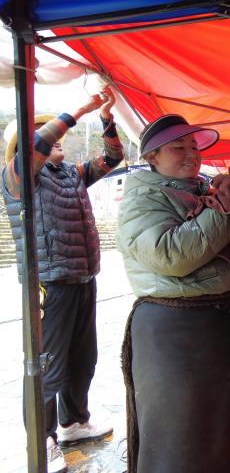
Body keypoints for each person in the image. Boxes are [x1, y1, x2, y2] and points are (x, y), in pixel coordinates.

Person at [117, 114, 230, 473]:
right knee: (185, 441)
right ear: (152, 156)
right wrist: (225, 210)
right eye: (178, 147)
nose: (191, 154)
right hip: (177, 335)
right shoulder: (142, 199)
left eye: (194, 146)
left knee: (229, 432)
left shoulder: (205, 191)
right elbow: (170, 256)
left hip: (222, 326)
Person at [2, 90, 123, 473]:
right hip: (49, 284)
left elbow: (113, 158)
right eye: (45, 135)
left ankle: (74, 424)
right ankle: (43, 441)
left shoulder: (71, 174)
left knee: (83, 358)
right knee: (47, 365)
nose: (59, 140)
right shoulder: (19, 178)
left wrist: (105, 118)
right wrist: (79, 110)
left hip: (82, 277)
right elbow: (36, 147)